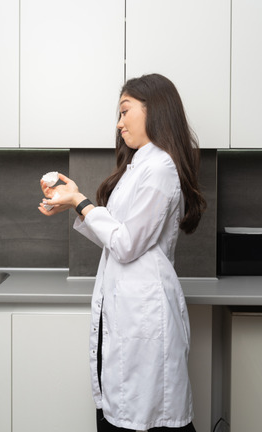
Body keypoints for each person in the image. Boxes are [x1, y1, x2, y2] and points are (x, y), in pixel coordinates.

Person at [38, 73, 206, 432]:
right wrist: (74, 202)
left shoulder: (160, 168)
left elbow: (127, 244)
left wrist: (80, 202)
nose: (118, 123)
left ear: (155, 110)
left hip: (143, 310)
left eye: (125, 111)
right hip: (125, 305)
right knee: (121, 412)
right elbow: (117, 235)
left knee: (150, 417)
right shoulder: (138, 165)